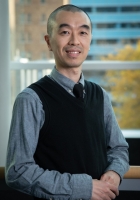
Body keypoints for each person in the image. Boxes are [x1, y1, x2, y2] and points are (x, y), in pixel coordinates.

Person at [5, 4, 129, 200]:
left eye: (82, 32)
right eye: (64, 32)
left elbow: (119, 148)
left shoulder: (100, 95)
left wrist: (114, 172)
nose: (75, 41)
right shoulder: (31, 99)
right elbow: (18, 172)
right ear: (49, 41)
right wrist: (84, 188)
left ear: (89, 40)